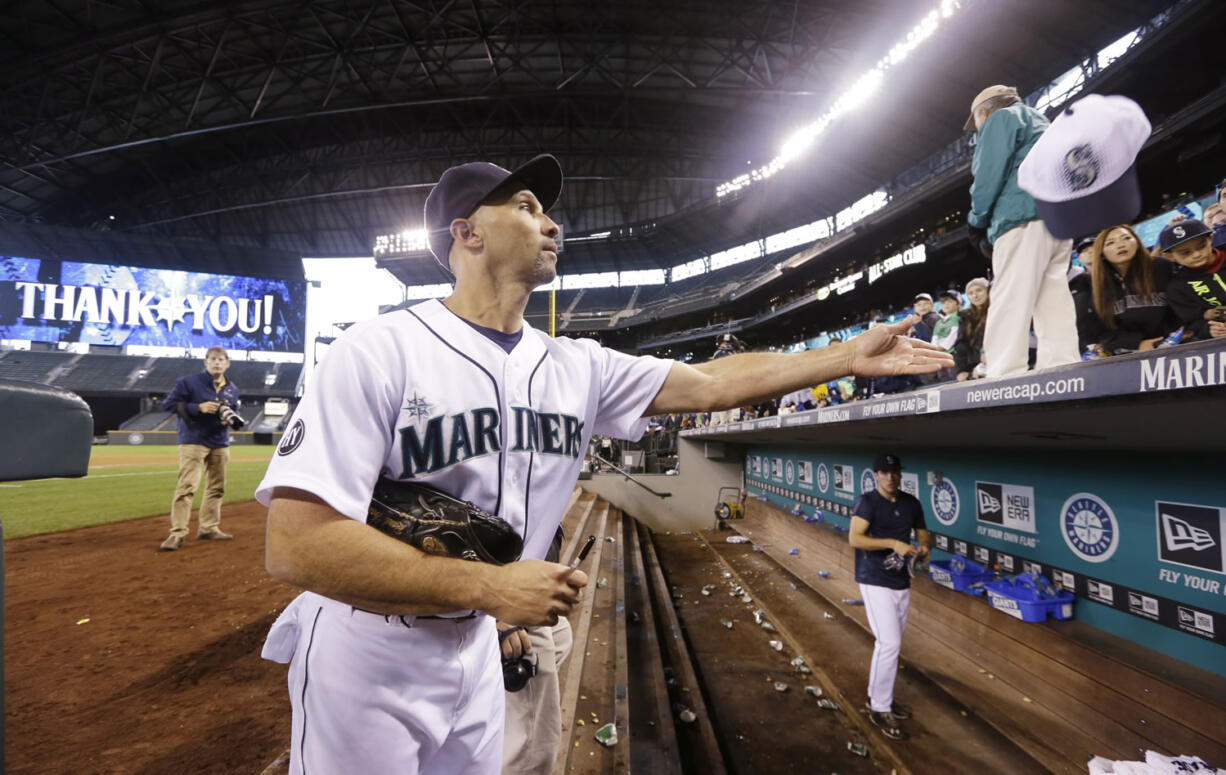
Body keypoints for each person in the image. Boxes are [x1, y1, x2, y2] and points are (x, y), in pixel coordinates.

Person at [255, 154, 953, 775]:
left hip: (476, 649)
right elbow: (296, 542)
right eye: (526, 208)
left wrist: (842, 356)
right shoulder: (379, 350)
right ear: (466, 234)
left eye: (547, 210)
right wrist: (491, 588)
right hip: (368, 650)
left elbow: (711, 383)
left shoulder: (577, 366)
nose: (551, 223)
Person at [963, 85, 1080, 377]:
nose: (977, 126)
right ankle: (1061, 365)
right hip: (1056, 215)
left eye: (976, 121)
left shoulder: (1001, 118)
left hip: (1020, 216)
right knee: (1051, 294)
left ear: (984, 111)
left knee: (1009, 294)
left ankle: (1003, 371)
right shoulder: (1042, 122)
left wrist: (977, 220)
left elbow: (988, 175)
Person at [848, 453, 930, 742]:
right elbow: (855, 538)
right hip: (874, 579)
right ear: (876, 475)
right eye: (884, 472)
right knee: (890, 643)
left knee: (889, 646)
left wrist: (922, 547)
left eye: (894, 471)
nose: (890, 477)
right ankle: (880, 708)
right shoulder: (867, 501)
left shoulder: (911, 503)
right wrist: (893, 543)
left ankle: (878, 697)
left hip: (901, 580)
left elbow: (923, 533)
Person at [500, 528, 572, 775]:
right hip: (505, 601)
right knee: (533, 749)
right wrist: (496, 616)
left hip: (530, 579)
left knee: (563, 634)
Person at [158, 346, 239, 551]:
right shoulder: (188, 382)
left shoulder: (232, 389)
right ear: (206, 362)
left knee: (217, 488)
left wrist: (226, 420)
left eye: (221, 359)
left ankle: (209, 528)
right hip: (193, 440)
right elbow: (168, 405)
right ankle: (177, 533)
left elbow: (234, 411)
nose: (217, 362)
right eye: (213, 359)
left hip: (220, 441)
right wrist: (198, 407)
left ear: (227, 363)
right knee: (187, 488)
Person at [1088, 225, 1180, 354]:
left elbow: (1183, 304)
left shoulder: (1162, 267)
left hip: (1174, 346)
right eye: (1111, 243)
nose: (1120, 245)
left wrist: (1176, 334)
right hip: (1130, 354)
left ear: (1137, 242)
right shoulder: (1098, 285)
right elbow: (1103, 330)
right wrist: (1138, 344)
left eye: (1126, 238)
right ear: (1102, 253)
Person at [1159, 219, 1226, 341]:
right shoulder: (1177, 288)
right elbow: (1194, 323)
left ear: (1210, 239)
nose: (1196, 254)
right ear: (1170, 256)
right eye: (1185, 253)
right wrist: (1211, 330)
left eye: (1201, 246)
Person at [953, 278, 990, 380]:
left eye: (979, 290)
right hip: (972, 369)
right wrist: (960, 370)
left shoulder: (996, 310)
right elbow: (961, 345)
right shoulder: (965, 316)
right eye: (970, 293)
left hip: (993, 363)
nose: (975, 295)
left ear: (988, 291)